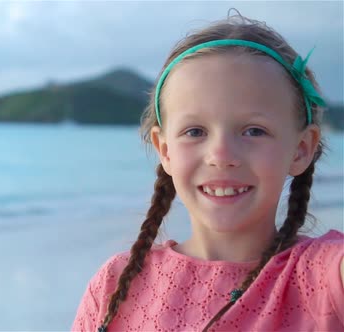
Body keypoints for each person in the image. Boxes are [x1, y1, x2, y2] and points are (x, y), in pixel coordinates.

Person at [71, 13, 344, 332]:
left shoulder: (324, 277)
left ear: (301, 149)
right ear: (165, 150)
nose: (221, 156)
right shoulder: (114, 286)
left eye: (254, 131)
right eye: (195, 131)